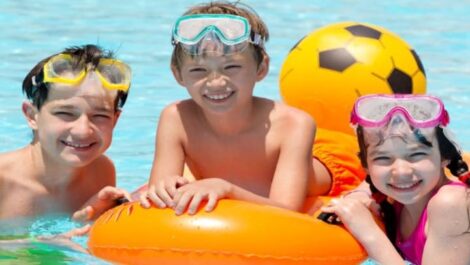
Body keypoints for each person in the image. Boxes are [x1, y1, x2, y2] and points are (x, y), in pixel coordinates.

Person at [140, 1, 318, 215]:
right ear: (178, 74)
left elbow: (288, 213)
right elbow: (160, 202)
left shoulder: (293, 125)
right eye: (198, 70)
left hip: (328, 164)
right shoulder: (176, 119)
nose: (216, 82)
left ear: (262, 67)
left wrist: (226, 189)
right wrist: (163, 190)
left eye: (232, 67)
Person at [321, 94, 470, 265]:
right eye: (383, 158)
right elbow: (368, 186)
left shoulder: (451, 203)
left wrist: (369, 233)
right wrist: (358, 196)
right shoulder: (394, 193)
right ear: (366, 167)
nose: (401, 172)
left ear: (445, 157)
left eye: (416, 155)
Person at [0, 44, 132, 226]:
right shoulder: (3, 181)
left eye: (100, 116)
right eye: (65, 113)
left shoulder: (101, 171)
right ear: (32, 115)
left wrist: (83, 221)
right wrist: (55, 242)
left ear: (115, 120)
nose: (83, 130)